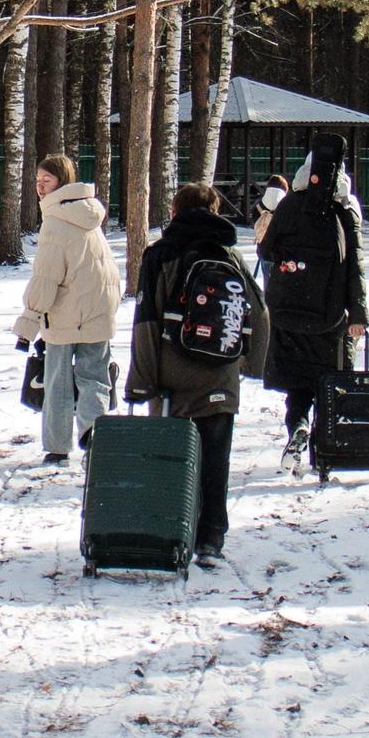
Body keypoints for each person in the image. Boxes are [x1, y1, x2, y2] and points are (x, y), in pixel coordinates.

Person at [126, 183, 268, 563]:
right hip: (219, 374)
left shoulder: (160, 256)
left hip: (171, 378)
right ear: (215, 210)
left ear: (175, 212)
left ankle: (169, 527)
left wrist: (142, 383)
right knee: (215, 459)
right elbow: (261, 313)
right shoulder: (229, 255)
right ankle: (210, 539)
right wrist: (250, 366)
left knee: (169, 457)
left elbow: (147, 323)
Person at [255, 131, 369, 474]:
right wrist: (359, 313)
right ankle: (325, 451)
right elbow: (355, 267)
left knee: (298, 384)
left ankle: (299, 426)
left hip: (287, 313)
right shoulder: (345, 212)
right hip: (331, 318)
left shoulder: (289, 206)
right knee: (330, 384)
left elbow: (265, 250)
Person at [15, 154, 122, 466]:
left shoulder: (56, 222)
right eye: (37, 181)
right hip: (98, 308)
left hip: (64, 312)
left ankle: (58, 446)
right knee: (94, 376)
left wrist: (27, 324)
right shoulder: (88, 215)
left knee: (58, 380)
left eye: (47, 181)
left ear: (61, 182)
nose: (40, 187)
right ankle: (96, 433)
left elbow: (46, 278)